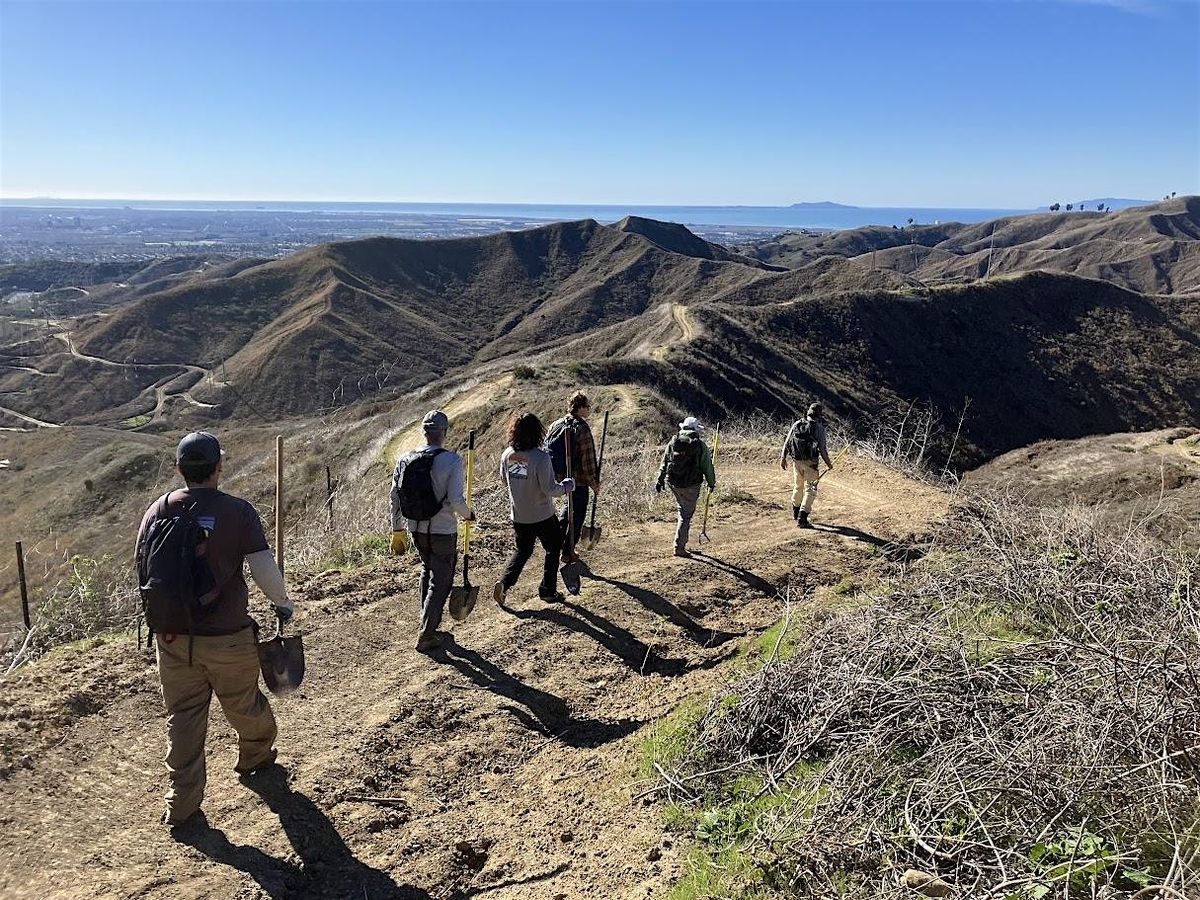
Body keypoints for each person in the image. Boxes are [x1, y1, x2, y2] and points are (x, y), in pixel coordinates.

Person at [136, 431, 294, 830]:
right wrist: (283, 603)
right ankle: (255, 759)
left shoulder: (157, 510)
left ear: (179, 470)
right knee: (244, 704)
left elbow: (142, 567)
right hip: (228, 636)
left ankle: (182, 805)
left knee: (184, 717)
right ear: (219, 467)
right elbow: (263, 570)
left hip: (172, 638)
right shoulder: (237, 512)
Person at [390, 410, 474, 652]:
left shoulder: (405, 459)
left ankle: (426, 620)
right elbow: (456, 500)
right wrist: (468, 515)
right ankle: (427, 634)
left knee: (428, 570)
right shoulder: (452, 461)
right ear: (444, 433)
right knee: (442, 581)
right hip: (443, 530)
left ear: (424, 433)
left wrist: (398, 529)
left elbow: (395, 496)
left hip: (416, 528)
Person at [494, 411, 576, 605]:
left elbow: (506, 481)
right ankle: (548, 590)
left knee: (522, 550)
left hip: (519, 515)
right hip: (542, 515)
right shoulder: (540, 458)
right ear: (537, 432)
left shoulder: (509, 455)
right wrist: (567, 486)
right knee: (553, 547)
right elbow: (550, 489)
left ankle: (504, 584)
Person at [546, 391, 601, 564]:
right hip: (579, 480)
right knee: (577, 515)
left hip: (559, 476)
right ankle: (568, 552)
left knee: (567, 510)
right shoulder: (581, 428)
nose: (589, 410)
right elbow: (588, 459)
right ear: (581, 407)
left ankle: (557, 546)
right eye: (588, 407)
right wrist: (594, 482)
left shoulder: (556, 424)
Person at [655, 416, 717, 558]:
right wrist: (711, 483)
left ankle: (680, 543)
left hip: (674, 483)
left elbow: (664, 461)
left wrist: (659, 480)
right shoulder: (700, 445)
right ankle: (679, 547)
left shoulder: (673, 441)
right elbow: (707, 467)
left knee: (682, 510)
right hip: (691, 484)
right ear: (695, 430)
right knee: (685, 515)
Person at [780, 402, 834, 528]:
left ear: (808, 412)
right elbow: (822, 449)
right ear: (819, 415)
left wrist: (783, 458)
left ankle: (796, 512)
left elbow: (787, 442)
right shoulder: (819, 428)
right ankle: (802, 518)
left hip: (796, 462)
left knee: (798, 486)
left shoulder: (797, 424)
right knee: (811, 489)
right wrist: (829, 464)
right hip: (811, 464)